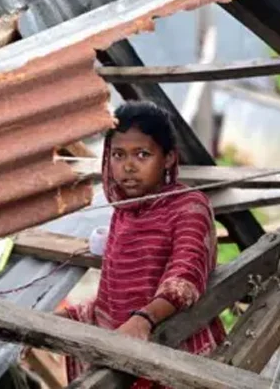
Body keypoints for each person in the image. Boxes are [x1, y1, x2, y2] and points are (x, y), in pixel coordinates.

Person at [58, 101, 225, 387]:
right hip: (130, 346)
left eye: (143, 154)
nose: (129, 167)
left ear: (169, 158)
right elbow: (114, 296)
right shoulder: (124, 212)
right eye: (118, 155)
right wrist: (66, 317)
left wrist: (144, 319)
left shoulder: (189, 207)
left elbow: (185, 276)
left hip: (175, 350)